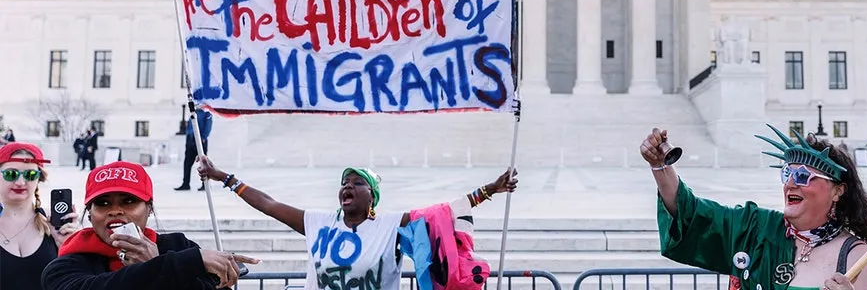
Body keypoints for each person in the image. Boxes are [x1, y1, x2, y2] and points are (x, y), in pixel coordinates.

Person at [197, 156, 518, 290]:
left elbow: (443, 213)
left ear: (372, 196)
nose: (347, 186)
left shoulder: (393, 225)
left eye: (357, 183)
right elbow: (269, 204)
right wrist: (222, 176)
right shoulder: (319, 222)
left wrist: (490, 189)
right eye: (344, 182)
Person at [640, 125, 867, 290]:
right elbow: (692, 215)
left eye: (803, 176)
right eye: (787, 174)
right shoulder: (754, 230)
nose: (791, 183)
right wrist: (660, 166)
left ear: (838, 191)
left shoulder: (858, 258)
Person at [40, 160, 260, 290]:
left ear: (150, 208)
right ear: (90, 214)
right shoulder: (65, 266)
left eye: (129, 201)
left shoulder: (179, 246)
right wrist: (171, 266)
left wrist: (157, 262)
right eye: (103, 203)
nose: (115, 211)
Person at [0, 142, 80, 290]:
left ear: (39, 179)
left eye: (30, 175)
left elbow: (72, 281)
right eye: (11, 174)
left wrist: (67, 248)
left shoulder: (53, 224)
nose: (20, 182)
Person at [175, 109, 212, 192]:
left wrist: (204, 137)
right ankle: (186, 184)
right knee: (187, 163)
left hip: (200, 140)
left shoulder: (207, 113)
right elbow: (189, 126)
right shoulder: (194, 112)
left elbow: (208, 125)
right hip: (190, 139)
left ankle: (205, 184)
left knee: (203, 163)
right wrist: (188, 135)